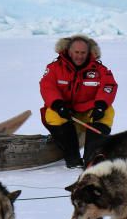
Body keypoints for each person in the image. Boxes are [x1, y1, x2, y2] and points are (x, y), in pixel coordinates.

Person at [40, 34, 117, 168]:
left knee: (108, 112)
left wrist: (100, 105)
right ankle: (72, 158)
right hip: (65, 110)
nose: (79, 56)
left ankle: (91, 159)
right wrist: (58, 105)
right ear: (69, 51)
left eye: (83, 53)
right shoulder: (55, 68)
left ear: (88, 53)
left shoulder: (100, 70)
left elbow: (108, 86)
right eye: (76, 52)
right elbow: (47, 86)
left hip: (88, 111)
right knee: (52, 113)